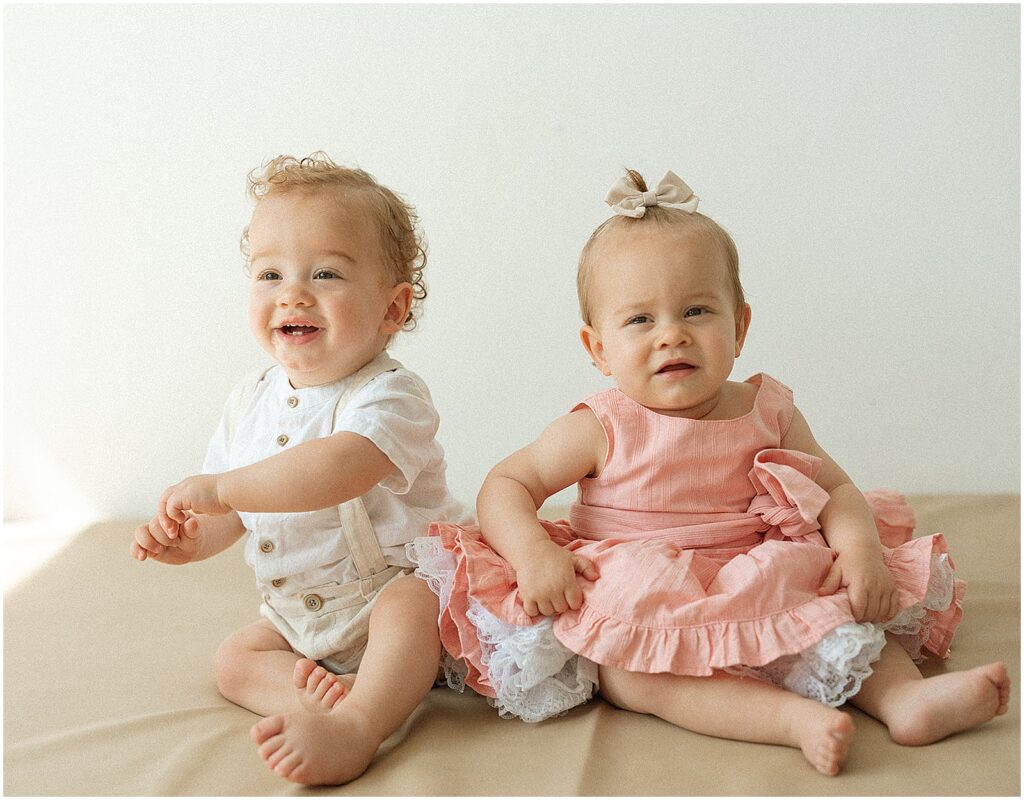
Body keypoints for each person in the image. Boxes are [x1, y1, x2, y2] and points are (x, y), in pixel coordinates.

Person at [408, 169, 1010, 777]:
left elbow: (835, 491)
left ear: (740, 326)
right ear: (597, 349)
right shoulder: (602, 424)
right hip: (638, 581)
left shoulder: (767, 410)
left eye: (696, 310)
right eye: (640, 320)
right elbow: (506, 485)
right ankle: (789, 721)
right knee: (630, 675)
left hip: (760, 566)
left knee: (835, 608)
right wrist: (535, 553)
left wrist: (860, 552)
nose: (672, 334)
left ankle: (905, 699)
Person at [131, 153, 470, 785]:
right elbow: (233, 515)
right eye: (269, 273)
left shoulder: (393, 396)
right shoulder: (248, 399)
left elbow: (335, 470)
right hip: (298, 614)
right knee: (234, 661)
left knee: (413, 607)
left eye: (324, 273)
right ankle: (322, 697)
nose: (293, 292)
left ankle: (362, 724)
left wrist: (223, 487)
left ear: (392, 310)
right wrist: (192, 540)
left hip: (387, 589)